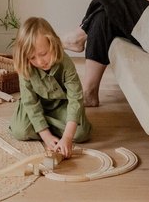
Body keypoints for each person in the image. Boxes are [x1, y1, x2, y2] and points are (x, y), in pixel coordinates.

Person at [9, 17, 92, 157]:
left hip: (61, 106)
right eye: (32, 58)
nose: (40, 61)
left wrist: (67, 137)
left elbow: (75, 98)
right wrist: (45, 135)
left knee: (80, 134)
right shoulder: (25, 67)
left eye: (43, 54)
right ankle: (48, 127)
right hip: (35, 106)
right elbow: (30, 102)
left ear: (53, 43)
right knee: (20, 131)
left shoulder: (66, 63)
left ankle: (55, 127)